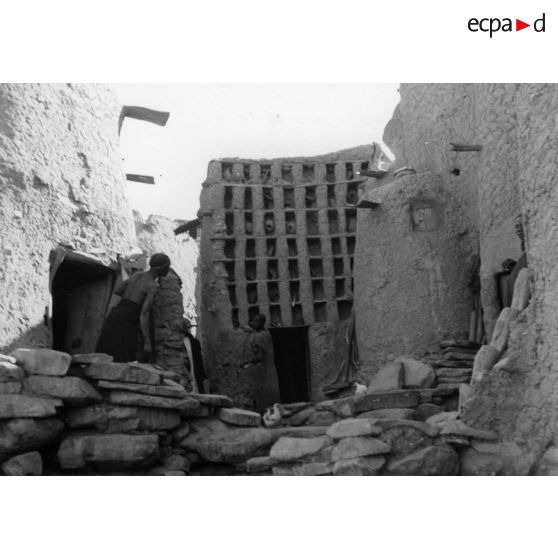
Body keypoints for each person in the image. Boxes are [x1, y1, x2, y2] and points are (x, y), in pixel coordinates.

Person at [96, 253, 171, 363]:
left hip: (115, 314)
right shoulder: (152, 286)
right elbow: (144, 314)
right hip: (127, 322)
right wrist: (147, 342)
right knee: (122, 360)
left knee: (104, 356)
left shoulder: (136, 275)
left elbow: (117, 290)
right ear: (161, 268)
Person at [240, 314, 280, 412]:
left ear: (262, 323)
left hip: (262, 370)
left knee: (261, 396)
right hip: (270, 369)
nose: (253, 323)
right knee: (270, 396)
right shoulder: (266, 333)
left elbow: (259, 357)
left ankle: (263, 415)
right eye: (253, 321)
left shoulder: (258, 337)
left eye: (256, 321)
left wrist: (245, 362)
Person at [179, 318, 209, 393]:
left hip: (195, 376)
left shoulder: (195, 342)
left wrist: (203, 378)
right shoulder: (178, 342)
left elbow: (199, 363)